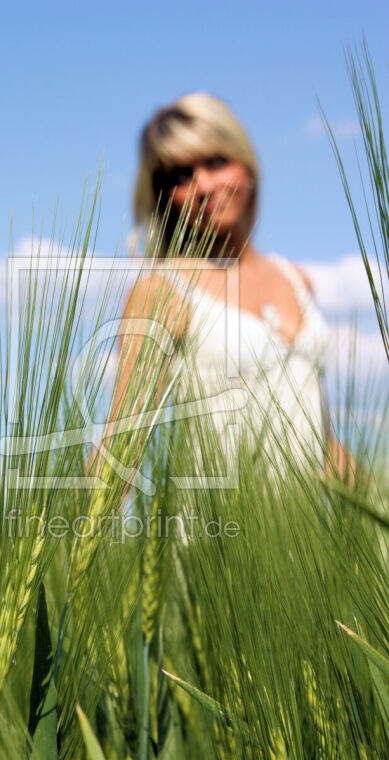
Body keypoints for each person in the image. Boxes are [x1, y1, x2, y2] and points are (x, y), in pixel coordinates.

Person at [100, 92, 352, 489]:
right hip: (215, 540)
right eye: (180, 175)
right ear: (165, 196)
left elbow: (317, 439)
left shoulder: (297, 280)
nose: (203, 185)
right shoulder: (162, 291)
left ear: (246, 163)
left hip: (310, 542)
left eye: (216, 161)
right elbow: (119, 450)